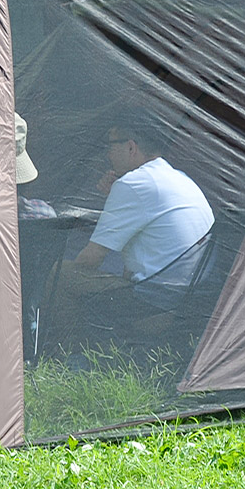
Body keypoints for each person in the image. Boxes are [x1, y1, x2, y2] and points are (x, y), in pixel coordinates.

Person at [46, 117, 214, 354]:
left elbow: (90, 259)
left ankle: (69, 358)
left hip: (154, 307)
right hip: (192, 304)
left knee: (60, 275)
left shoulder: (133, 184)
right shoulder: (181, 179)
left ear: (131, 147)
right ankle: (111, 349)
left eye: (111, 145)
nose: (108, 154)